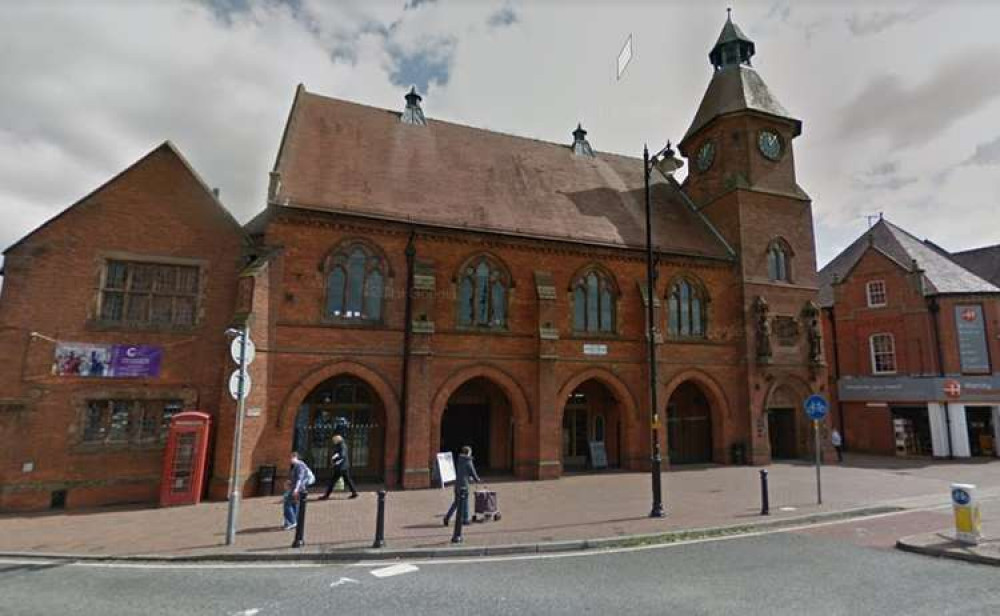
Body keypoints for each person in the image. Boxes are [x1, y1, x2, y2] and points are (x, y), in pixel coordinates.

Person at [443, 446, 481, 526]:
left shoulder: (460, 460)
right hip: (464, 485)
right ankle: (465, 519)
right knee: (465, 502)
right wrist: (477, 479)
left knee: (456, 502)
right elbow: (473, 473)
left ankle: (447, 517)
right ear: (468, 453)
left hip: (457, 484)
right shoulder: (468, 461)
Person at [320, 434, 358, 500]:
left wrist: (335, 459)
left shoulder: (341, 445)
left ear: (337, 440)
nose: (333, 442)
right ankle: (354, 492)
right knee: (347, 480)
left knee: (333, 481)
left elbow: (342, 455)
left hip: (341, 467)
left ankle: (326, 495)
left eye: (334, 440)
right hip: (343, 466)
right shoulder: (342, 445)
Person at [283, 451, 314, 530]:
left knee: (287, 503)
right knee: (294, 504)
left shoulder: (299, 465)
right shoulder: (298, 465)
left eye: (291, 458)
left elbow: (299, 479)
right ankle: (294, 521)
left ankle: (292, 521)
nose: (290, 460)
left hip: (298, 488)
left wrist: (296, 489)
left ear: (294, 457)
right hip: (298, 488)